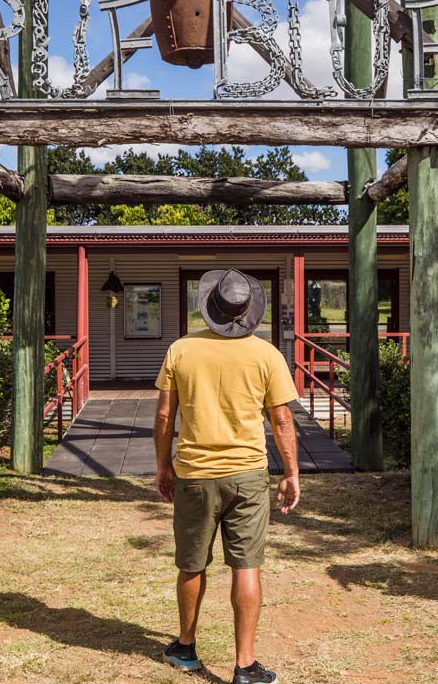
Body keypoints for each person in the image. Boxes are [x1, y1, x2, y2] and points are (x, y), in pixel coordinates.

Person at [154, 268, 300, 684]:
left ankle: (185, 647)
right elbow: (282, 420)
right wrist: (291, 473)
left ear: (210, 307)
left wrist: (164, 464)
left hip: (194, 474)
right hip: (249, 475)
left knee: (192, 564)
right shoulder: (267, 354)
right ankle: (245, 666)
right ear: (247, 311)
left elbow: (165, 415)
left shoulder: (180, 350)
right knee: (247, 566)